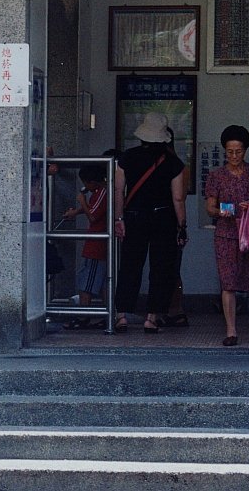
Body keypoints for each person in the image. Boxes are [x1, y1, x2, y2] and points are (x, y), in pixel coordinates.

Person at [113, 112, 187, 334]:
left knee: (129, 265)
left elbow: (119, 190)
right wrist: (182, 226)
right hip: (163, 218)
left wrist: (119, 218)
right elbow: (178, 198)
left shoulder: (127, 158)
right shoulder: (174, 163)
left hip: (134, 216)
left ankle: (121, 316)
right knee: (161, 268)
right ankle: (152, 318)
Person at [205, 125, 249, 347]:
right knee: (228, 283)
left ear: (245, 150)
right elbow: (210, 208)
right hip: (226, 234)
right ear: (224, 151)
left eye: (238, 151)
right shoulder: (216, 176)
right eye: (230, 152)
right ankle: (231, 330)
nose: (234, 156)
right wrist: (224, 211)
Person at [61, 164, 108, 330]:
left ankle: (83, 315)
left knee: (86, 283)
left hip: (96, 246)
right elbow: (93, 210)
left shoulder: (102, 193)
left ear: (93, 182)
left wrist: (82, 201)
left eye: (86, 183)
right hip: (95, 244)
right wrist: (77, 211)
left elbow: (93, 216)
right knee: (101, 284)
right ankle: (106, 315)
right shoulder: (99, 193)